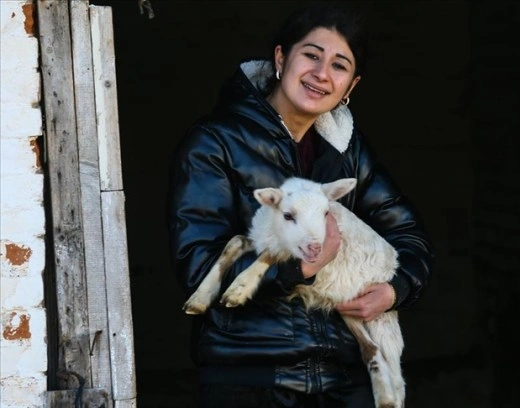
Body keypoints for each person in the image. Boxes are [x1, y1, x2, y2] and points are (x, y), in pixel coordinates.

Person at [167, 3, 434, 407]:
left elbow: (409, 236)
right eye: (311, 55)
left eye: (339, 65)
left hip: (345, 381)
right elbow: (198, 265)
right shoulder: (215, 143)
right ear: (280, 59)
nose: (322, 73)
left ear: (350, 86)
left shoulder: (348, 152)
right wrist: (300, 267)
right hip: (252, 379)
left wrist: (395, 290)